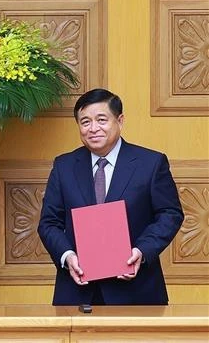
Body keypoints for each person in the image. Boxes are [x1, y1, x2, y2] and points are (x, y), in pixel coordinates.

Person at [38, 88, 184, 305]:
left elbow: (169, 214)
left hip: (136, 291)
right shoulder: (64, 166)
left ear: (120, 120)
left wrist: (142, 251)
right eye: (85, 122)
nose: (93, 128)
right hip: (78, 292)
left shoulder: (150, 163)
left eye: (101, 120)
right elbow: (49, 223)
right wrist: (67, 256)